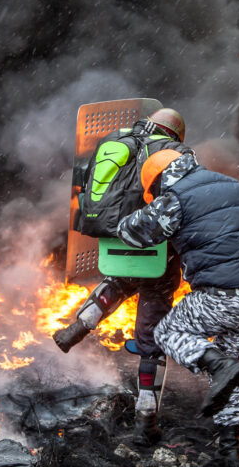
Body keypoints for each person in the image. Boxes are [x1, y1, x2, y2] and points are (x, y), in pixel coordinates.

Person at [116, 149, 239, 467]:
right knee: (226, 374)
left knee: (166, 332)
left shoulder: (171, 200)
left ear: (159, 181)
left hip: (220, 297)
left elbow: (132, 233)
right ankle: (231, 450)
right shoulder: (236, 187)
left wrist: (126, 212)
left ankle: (218, 366)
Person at [53, 108, 189, 447]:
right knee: (152, 329)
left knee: (119, 280)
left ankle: (81, 323)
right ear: (174, 133)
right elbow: (185, 201)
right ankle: (147, 418)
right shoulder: (176, 153)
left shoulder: (116, 141)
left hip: (114, 242)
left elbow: (84, 188)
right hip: (156, 249)